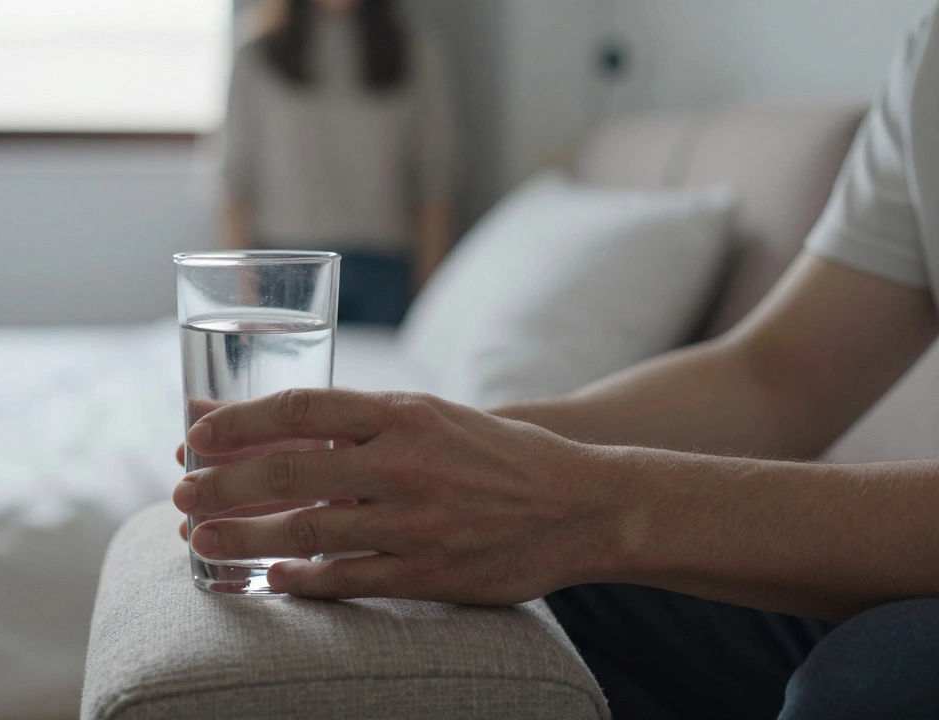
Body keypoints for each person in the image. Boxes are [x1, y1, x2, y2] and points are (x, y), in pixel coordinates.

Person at [173, 6, 939, 719]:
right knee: (534, 591)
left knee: (871, 679)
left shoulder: (410, 54)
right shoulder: (927, 59)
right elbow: (776, 376)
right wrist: (459, 448)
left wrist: (592, 504)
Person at [219, 0, 456, 325]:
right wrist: (244, 291)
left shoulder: (414, 51)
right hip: (284, 265)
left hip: (384, 269)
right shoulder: (257, 54)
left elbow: (435, 181)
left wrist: (430, 301)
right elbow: (233, 180)